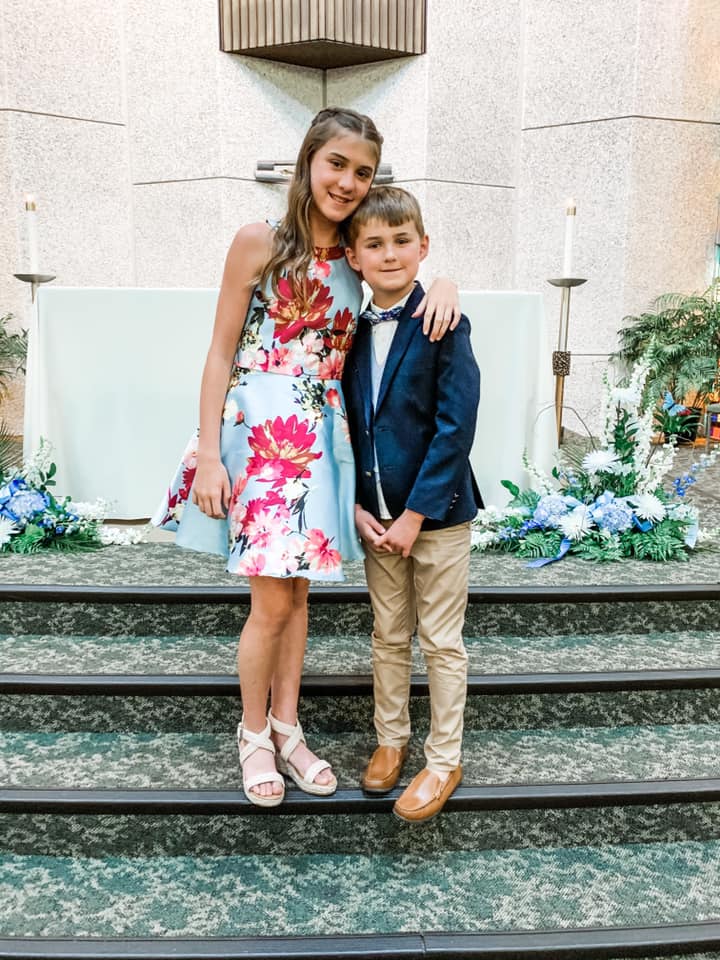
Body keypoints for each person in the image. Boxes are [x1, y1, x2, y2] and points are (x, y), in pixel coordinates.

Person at [153, 108, 460, 808]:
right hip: (259, 429)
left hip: (324, 434)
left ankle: (289, 728)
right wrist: (207, 453)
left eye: (364, 172)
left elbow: (406, 283)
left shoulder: (357, 251)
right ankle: (253, 733)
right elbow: (219, 351)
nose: (349, 182)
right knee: (269, 599)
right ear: (307, 161)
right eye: (338, 165)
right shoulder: (260, 241)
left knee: (299, 594)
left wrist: (446, 284)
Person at [342, 185, 482, 823]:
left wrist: (415, 516)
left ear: (423, 248)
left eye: (402, 241)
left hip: (438, 515)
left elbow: (456, 428)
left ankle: (444, 757)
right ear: (354, 256)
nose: (390, 253)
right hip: (376, 517)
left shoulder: (444, 320)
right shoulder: (348, 332)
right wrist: (357, 504)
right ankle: (390, 738)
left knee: (441, 642)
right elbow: (344, 425)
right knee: (387, 635)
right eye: (375, 243)